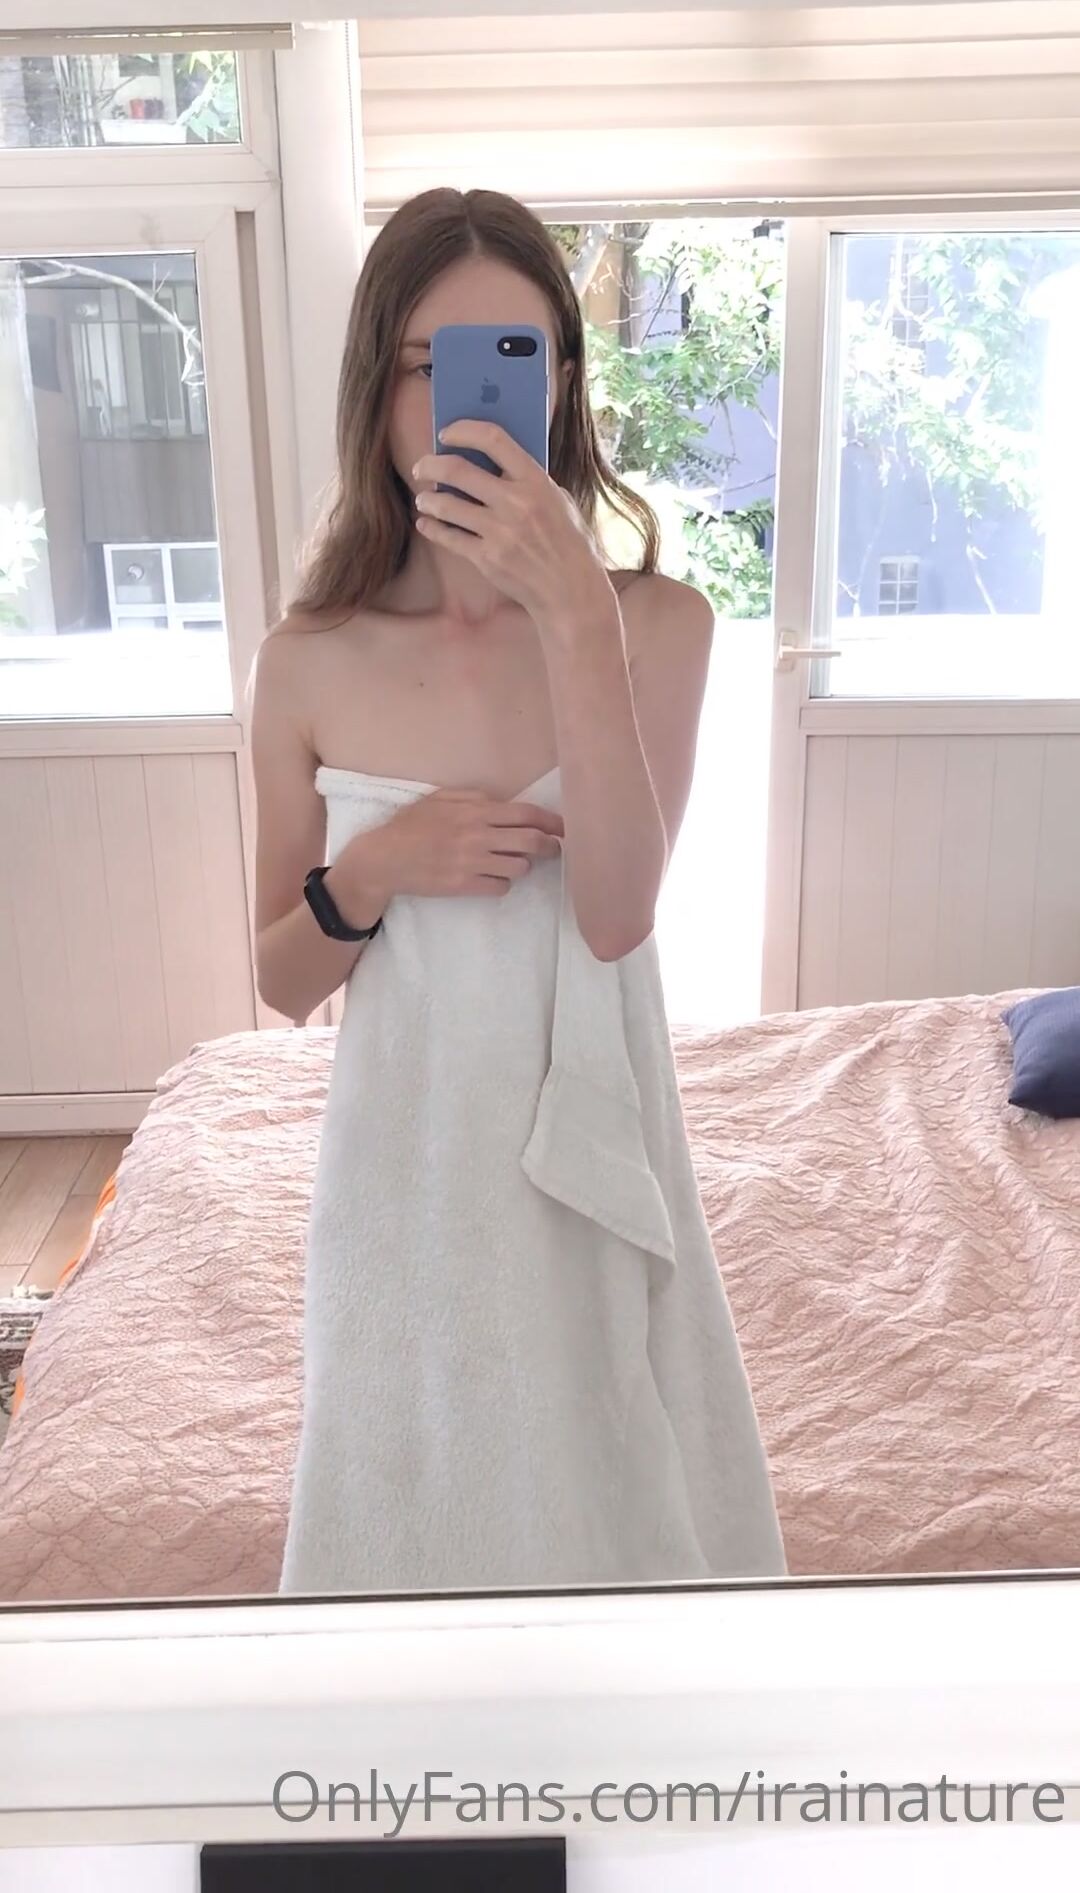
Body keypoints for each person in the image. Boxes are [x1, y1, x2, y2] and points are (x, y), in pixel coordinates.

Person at [252, 186, 788, 1595]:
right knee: (403, 1501)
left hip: (595, 1144)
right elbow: (281, 978)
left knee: (615, 1483)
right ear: (376, 393)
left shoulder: (657, 624)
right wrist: (375, 866)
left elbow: (616, 913)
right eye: (427, 364)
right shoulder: (307, 659)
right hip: (405, 1161)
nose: (467, 400)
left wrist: (575, 620)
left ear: (560, 383)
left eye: (513, 357)